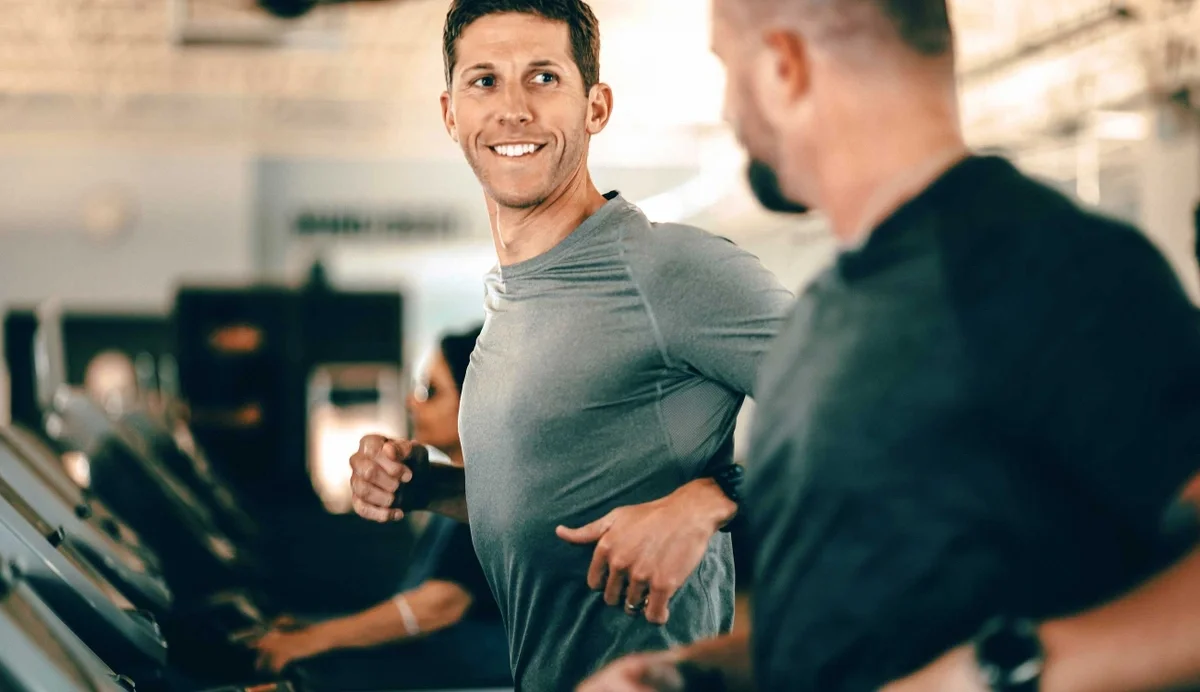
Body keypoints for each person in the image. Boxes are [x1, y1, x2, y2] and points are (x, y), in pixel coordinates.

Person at [579, 0, 1200, 690]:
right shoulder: (826, 313)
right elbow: (868, 632)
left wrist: (996, 671)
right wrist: (688, 674)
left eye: (728, 68)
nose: (727, 110)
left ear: (784, 68)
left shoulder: (1052, 269)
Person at [348, 0, 794, 688]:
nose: (513, 109)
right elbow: (562, 512)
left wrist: (712, 499)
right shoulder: (512, 301)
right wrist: (428, 487)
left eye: (544, 78)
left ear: (596, 107)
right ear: (450, 114)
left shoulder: (671, 271)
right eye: (485, 81)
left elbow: (876, 416)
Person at [252, 325, 511, 690]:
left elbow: (438, 605)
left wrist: (311, 640)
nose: (411, 403)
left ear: (476, 402)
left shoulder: (493, 500)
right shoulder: (452, 497)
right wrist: (311, 629)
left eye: (429, 392)